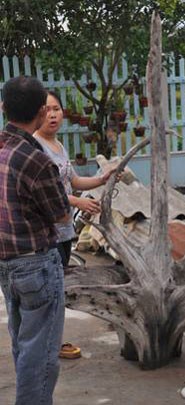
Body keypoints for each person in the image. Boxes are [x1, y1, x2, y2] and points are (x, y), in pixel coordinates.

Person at [0, 76, 71, 404]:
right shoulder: (37, 160)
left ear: (3, 108)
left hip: (7, 266)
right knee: (40, 356)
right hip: (37, 265)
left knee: (23, 346)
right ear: (42, 112)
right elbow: (60, 214)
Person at [34, 90, 119, 359]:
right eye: (46, 109)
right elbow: (43, 193)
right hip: (47, 233)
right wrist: (77, 202)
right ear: (37, 114)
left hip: (64, 231)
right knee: (50, 291)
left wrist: (102, 179)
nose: (53, 114)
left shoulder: (58, 145)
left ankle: (52, 341)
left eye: (56, 108)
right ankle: (49, 345)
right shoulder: (36, 147)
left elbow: (73, 181)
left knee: (58, 289)